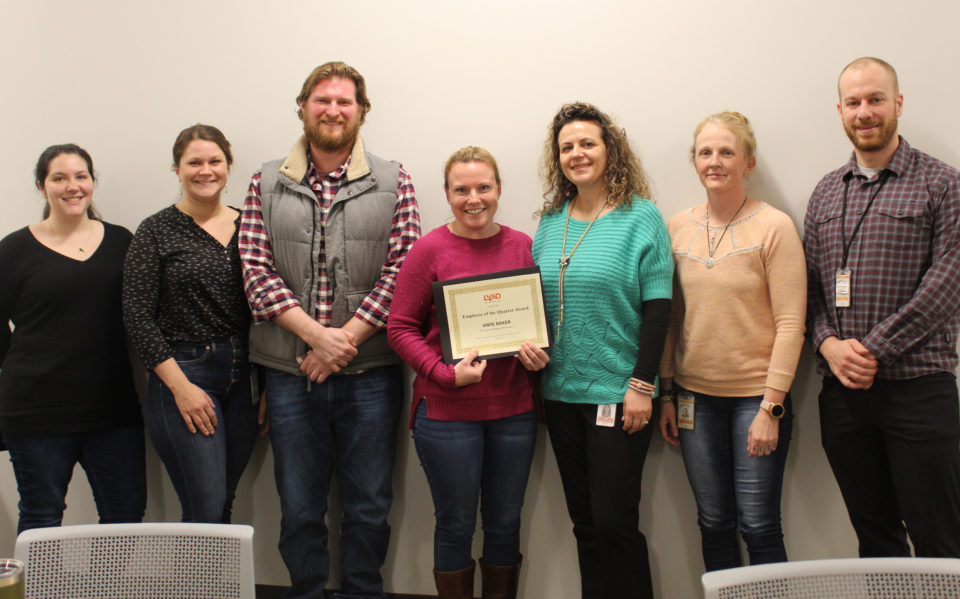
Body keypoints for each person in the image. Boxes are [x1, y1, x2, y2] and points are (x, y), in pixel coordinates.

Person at [239, 61, 420, 599]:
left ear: (361, 111)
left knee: (369, 503)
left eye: (345, 102)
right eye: (322, 100)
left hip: (371, 371)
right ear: (302, 107)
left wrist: (343, 343)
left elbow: (403, 270)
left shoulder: (393, 179)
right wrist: (318, 339)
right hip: (292, 371)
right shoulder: (266, 180)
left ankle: (364, 590)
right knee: (298, 504)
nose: (333, 111)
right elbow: (254, 268)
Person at [804, 57, 960, 557]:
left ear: (897, 103)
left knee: (940, 538)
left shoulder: (943, 183)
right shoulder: (826, 192)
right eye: (854, 102)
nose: (864, 112)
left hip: (919, 392)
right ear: (840, 110)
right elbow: (808, 288)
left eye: (875, 99)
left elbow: (947, 282)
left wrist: (871, 349)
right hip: (844, 398)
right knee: (876, 539)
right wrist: (829, 345)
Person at [387, 147, 549, 599]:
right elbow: (399, 328)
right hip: (445, 413)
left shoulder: (522, 245)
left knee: (504, 521)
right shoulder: (429, 250)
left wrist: (539, 356)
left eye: (483, 188)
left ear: (498, 190)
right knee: (456, 523)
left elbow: (539, 321)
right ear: (447, 194)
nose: (473, 198)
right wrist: (441, 373)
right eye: (462, 190)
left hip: (514, 410)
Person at [531, 103, 673, 599]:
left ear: (610, 150)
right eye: (566, 147)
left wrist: (642, 385)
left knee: (616, 524)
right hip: (560, 394)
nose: (577, 154)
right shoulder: (550, 222)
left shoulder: (642, 217)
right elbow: (534, 308)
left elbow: (659, 310)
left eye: (587, 143)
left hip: (619, 392)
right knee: (585, 524)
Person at [657, 112, 806, 571]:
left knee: (759, 525)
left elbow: (791, 323)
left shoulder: (774, 227)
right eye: (705, 153)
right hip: (694, 400)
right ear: (695, 162)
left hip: (755, 401)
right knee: (714, 522)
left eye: (727, 152)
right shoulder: (677, 226)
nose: (715, 162)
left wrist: (771, 407)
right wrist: (667, 392)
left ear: (748, 162)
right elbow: (671, 319)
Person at [0, 144, 145, 533]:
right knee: (42, 518)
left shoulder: (121, 242)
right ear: (41, 186)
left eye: (81, 176)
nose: (72, 186)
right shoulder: (13, 250)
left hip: (112, 408)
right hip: (36, 410)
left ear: (92, 182)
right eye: (59, 178)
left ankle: (105, 592)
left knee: (125, 516)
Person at [123, 124, 259, 523]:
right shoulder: (155, 231)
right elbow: (137, 315)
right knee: (205, 504)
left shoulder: (250, 224)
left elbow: (266, 302)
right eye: (194, 162)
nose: (205, 170)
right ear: (176, 169)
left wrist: (266, 384)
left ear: (228, 166)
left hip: (245, 374)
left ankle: (223, 585)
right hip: (184, 374)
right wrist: (182, 388)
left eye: (214, 161)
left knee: (224, 501)